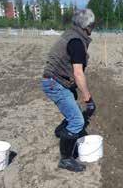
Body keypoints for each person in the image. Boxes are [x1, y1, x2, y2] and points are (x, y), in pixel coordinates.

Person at [41, 9, 96, 172]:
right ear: (87, 26)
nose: (93, 27)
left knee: (74, 111)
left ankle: (61, 131)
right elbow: (78, 73)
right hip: (55, 83)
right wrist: (88, 98)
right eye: (93, 24)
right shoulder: (77, 42)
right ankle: (65, 159)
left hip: (56, 80)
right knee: (78, 121)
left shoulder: (71, 34)